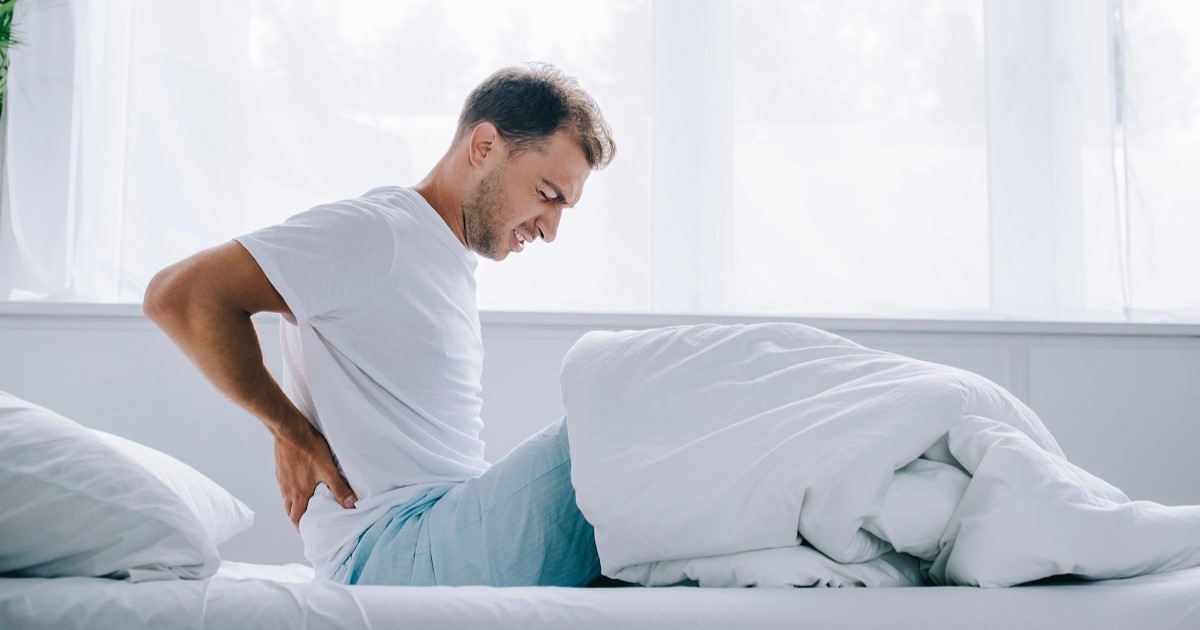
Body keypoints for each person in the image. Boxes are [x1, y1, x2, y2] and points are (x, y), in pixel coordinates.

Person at [143, 63, 616, 587]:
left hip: (441, 528)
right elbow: (180, 296)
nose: (551, 229)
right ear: (484, 146)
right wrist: (290, 432)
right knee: (621, 416)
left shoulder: (443, 258)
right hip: (398, 545)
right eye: (548, 194)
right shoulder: (379, 233)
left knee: (643, 511)